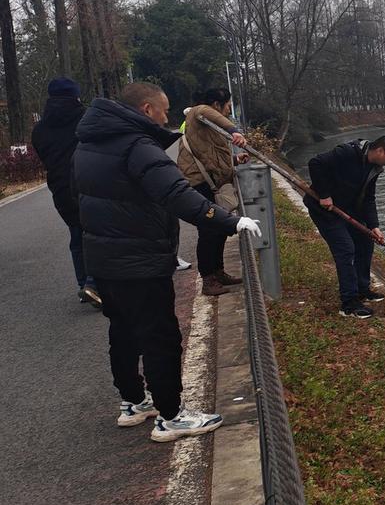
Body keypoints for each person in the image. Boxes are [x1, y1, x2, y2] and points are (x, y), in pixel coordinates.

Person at [75, 81, 262, 442]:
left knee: (123, 330)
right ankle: (171, 416)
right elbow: (177, 194)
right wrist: (231, 220)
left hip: (101, 256)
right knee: (160, 336)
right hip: (140, 257)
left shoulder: (87, 145)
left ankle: (133, 402)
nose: (168, 117)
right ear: (146, 110)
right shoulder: (138, 145)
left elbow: (73, 199)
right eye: (163, 109)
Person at [303, 135, 385, 319]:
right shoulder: (346, 153)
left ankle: (363, 289)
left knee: (365, 241)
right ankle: (349, 304)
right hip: (324, 210)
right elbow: (315, 163)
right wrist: (324, 194)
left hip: (346, 209)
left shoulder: (374, 169)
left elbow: (369, 199)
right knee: (346, 249)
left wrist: (374, 226)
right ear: (380, 151)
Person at [30, 77, 99, 307]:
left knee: (76, 235)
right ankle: (93, 283)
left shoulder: (39, 129)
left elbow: (44, 156)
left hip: (60, 187)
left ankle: (83, 284)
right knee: (98, 232)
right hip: (88, 181)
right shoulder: (87, 117)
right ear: (75, 95)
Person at [177, 88, 249, 296]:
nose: (228, 110)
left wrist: (234, 160)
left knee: (218, 229)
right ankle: (208, 279)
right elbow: (211, 115)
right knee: (208, 231)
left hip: (210, 182)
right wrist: (236, 131)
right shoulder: (199, 111)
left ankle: (218, 272)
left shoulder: (207, 127)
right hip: (199, 183)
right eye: (227, 105)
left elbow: (210, 156)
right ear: (217, 104)